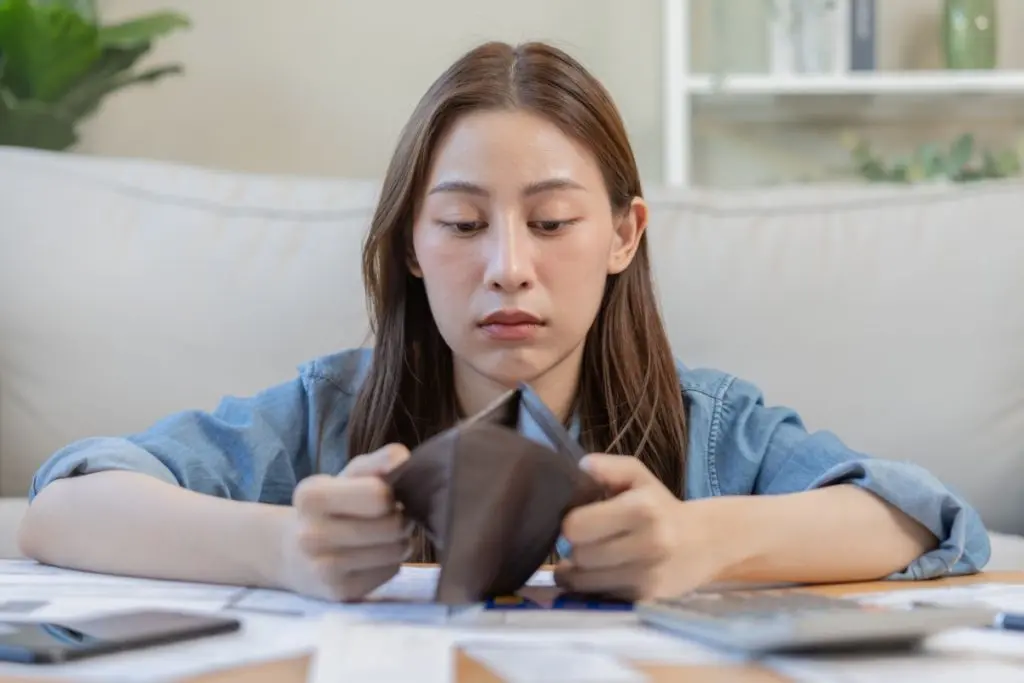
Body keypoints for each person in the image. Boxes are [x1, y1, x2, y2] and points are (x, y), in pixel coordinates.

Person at [18, 41, 990, 603]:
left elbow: (921, 512)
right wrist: (278, 547)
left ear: (622, 234)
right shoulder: (326, 413)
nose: (508, 269)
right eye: (462, 224)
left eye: (554, 221)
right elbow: (68, 498)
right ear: (408, 242)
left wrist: (700, 540)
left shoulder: (708, 424)